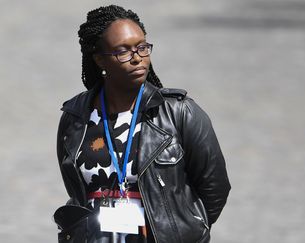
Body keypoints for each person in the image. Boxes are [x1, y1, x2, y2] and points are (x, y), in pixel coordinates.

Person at [54, 5, 231, 243]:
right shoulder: (76, 117)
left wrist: (184, 229)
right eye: (123, 51)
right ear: (99, 60)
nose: (137, 57)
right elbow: (75, 188)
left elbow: (215, 187)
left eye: (142, 47)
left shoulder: (180, 113)